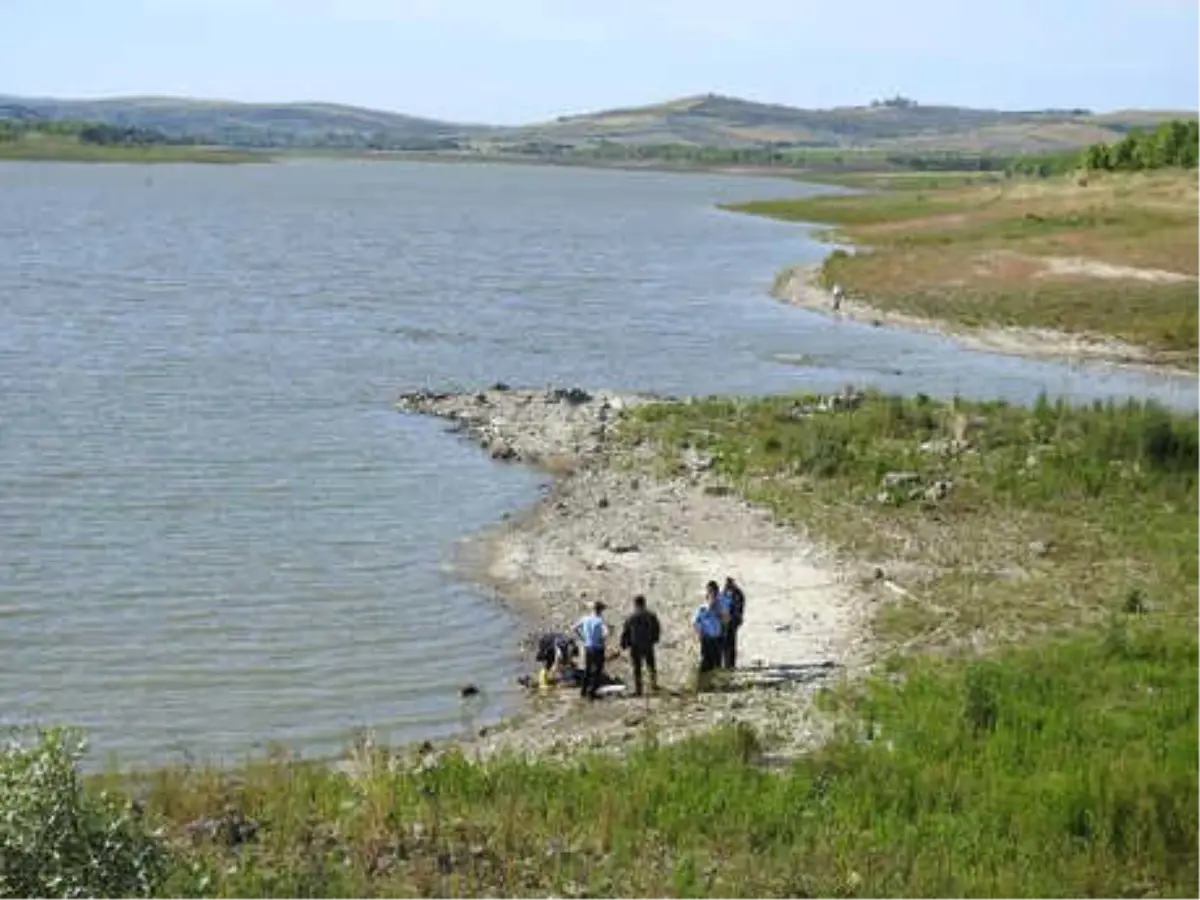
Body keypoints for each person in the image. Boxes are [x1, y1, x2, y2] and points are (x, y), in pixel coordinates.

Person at [620, 594, 661, 697]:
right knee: (651, 665)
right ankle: (654, 684)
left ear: (635, 604)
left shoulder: (631, 617)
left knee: (637, 668)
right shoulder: (651, 615)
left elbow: (626, 631)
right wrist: (655, 639)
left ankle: (639, 689)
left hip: (635, 645)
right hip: (648, 644)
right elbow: (657, 628)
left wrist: (624, 644)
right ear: (644, 603)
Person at [574, 601, 609, 700]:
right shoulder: (600, 620)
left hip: (588, 647)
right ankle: (592, 692)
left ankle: (583, 691)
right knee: (598, 670)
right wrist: (602, 639)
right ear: (600, 610)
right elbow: (606, 632)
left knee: (587, 670)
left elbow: (574, 628)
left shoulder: (585, 619)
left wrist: (583, 637)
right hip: (598, 648)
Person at [694, 582, 727, 680]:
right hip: (706, 638)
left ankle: (716, 682)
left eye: (712, 591)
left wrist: (718, 611)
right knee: (705, 661)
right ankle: (703, 680)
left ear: (716, 592)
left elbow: (726, 619)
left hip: (717, 638)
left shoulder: (721, 604)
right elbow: (696, 622)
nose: (710, 593)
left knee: (716, 662)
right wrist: (699, 633)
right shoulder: (703, 608)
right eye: (708, 591)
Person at [720, 577, 746, 670]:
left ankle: (730, 664)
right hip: (725, 622)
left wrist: (737, 617)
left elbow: (740, 607)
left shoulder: (737, 594)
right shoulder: (724, 593)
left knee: (730, 643)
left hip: (733, 621)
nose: (728, 585)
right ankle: (727, 664)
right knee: (726, 643)